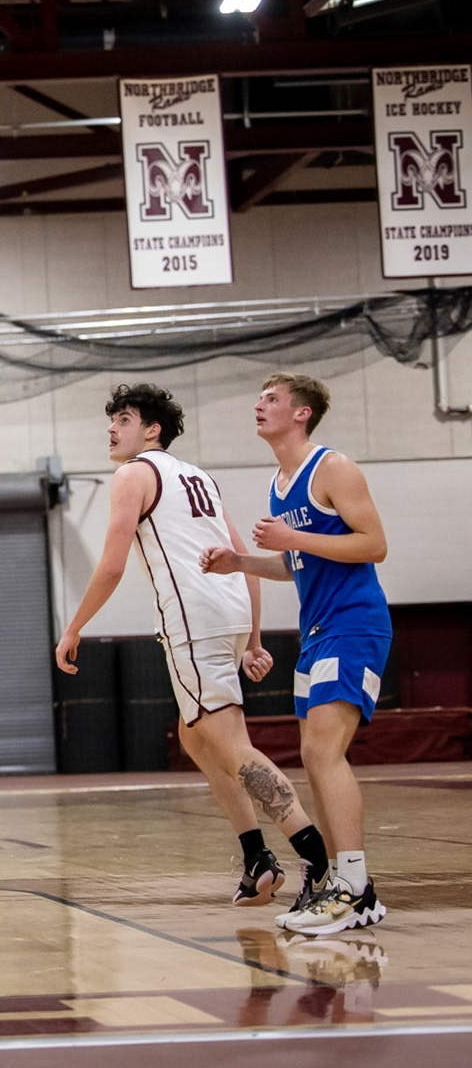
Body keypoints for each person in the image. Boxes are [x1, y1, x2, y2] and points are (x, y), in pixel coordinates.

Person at [55, 384, 331, 909]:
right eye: (112, 420)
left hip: (193, 621)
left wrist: (73, 629)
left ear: (152, 430)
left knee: (231, 746)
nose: (111, 428)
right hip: (228, 615)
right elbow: (241, 558)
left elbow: (111, 565)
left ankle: (316, 858)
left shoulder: (133, 474)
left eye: (124, 419)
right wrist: (252, 639)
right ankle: (256, 857)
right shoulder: (198, 476)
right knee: (196, 737)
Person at [203, 373, 393, 936]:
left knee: (325, 751)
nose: (258, 406)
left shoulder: (332, 467)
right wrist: (240, 563)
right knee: (313, 756)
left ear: (302, 413)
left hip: (353, 625)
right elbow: (296, 564)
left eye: (271, 400)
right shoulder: (280, 483)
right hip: (315, 631)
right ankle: (347, 886)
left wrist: (294, 538)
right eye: (259, 398)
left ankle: (353, 887)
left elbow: (374, 545)